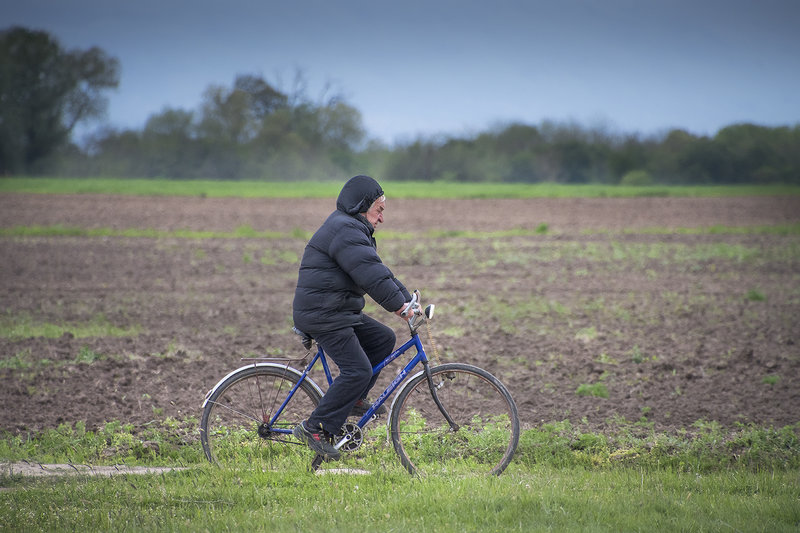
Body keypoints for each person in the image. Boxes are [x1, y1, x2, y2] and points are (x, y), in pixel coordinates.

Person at [292, 175, 412, 460]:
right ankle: (314, 428)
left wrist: (408, 300)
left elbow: (380, 271)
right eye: (379, 210)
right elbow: (371, 276)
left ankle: (355, 398)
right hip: (323, 314)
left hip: (335, 310)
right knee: (357, 370)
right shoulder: (345, 230)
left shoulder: (352, 228)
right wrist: (400, 308)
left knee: (383, 338)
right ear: (361, 206)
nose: (381, 218)